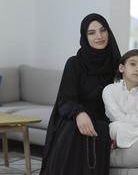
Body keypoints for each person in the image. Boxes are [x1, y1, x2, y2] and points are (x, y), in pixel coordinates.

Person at [39, 13, 121, 175]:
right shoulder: (74, 63)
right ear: (85, 37)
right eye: (91, 33)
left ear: (108, 33)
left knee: (100, 129)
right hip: (74, 117)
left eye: (102, 30)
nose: (99, 36)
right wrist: (79, 113)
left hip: (102, 121)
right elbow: (65, 99)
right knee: (74, 129)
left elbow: (126, 96)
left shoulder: (118, 65)